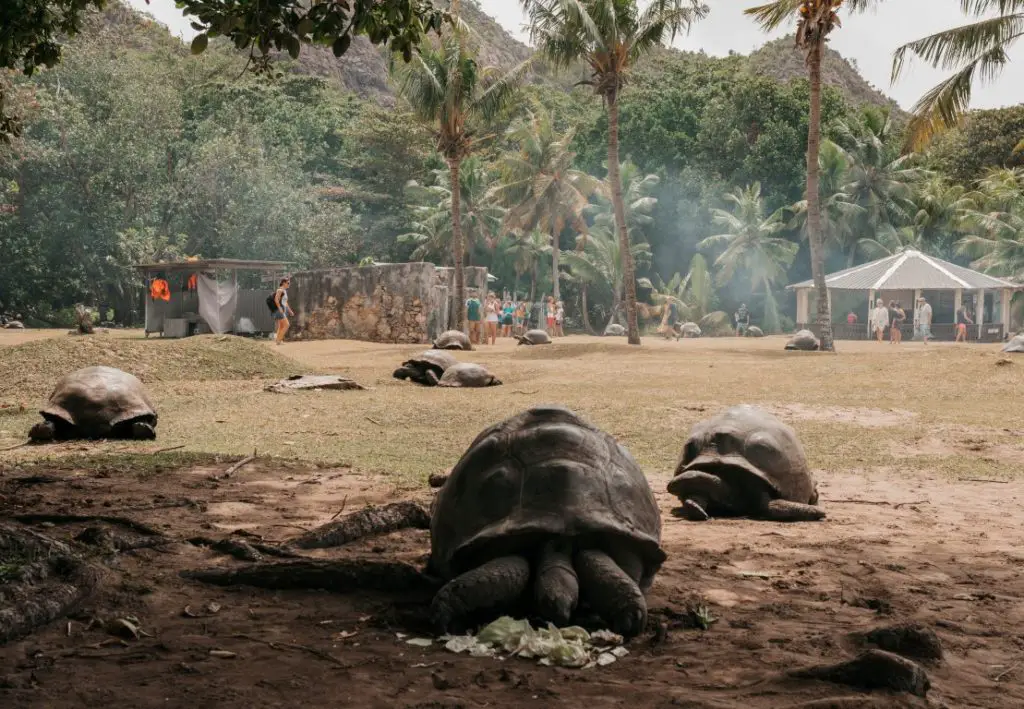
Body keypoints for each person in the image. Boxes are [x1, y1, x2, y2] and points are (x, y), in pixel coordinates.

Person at [273, 277, 294, 346]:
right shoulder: (280, 290)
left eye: (289, 283)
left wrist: (290, 310)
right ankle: (278, 340)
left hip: (283, 310)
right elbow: (276, 300)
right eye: (288, 283)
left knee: (281, 326)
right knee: (287, 325)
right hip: (280, 310)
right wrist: (279, 308)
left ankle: (277, 340)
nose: (289, 284)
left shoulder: (284, 291)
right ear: (283, 283)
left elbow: (285, 302)